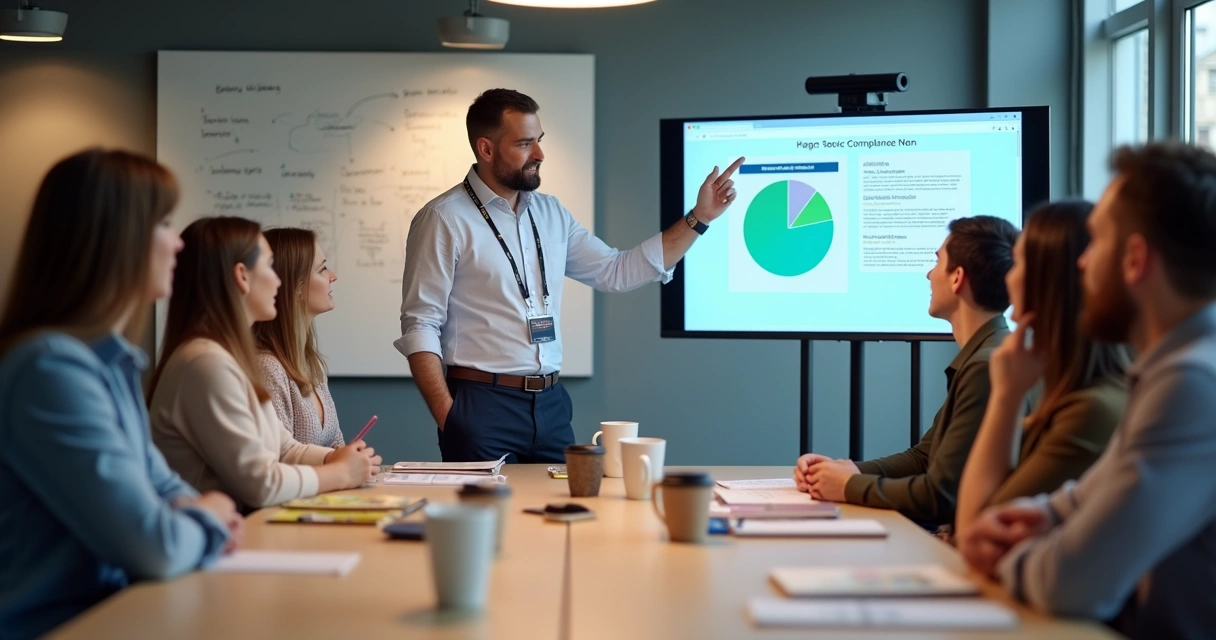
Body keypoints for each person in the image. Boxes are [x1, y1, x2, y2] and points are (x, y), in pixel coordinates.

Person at [396, 88, 743, 462]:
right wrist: (451, 418)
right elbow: (420, 325)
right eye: (525, 144)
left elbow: (616, 271)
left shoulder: (551, 213)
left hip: (551, 406)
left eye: (539, 141)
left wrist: (699, 218)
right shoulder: (443, 218)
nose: (540, 155)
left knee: (562, 516)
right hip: (481, 405)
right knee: (491, 519)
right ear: (486, 149)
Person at [959, 142, 1216, 639]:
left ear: (1135, 259)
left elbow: (1069, 584)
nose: (1081, 265)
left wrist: (1008, 553)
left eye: (1096, 242)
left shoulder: (1192, 383)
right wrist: (1036, 518)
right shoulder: (1171, 371)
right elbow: (1081, 501)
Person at [0, 150, 241, 639]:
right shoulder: (49, 369)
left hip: (115, 615)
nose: (178, 245)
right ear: (116, 237)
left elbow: (166, 492)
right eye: (166, 224)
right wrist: (212, 512)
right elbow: (154, 544)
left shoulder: (109, 366)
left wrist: (191, 513)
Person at [794, 215, 1019, 528]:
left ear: (957, 278)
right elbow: (924, 459)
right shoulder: (987, 354)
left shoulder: (986, 366)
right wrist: (845, 470)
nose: (928, 274)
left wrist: (848, 486)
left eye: (936, 262)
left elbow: (941, 495)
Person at [149, 217, 379, 512]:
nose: (279, 280)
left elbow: (284, 447)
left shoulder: (224, 357)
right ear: (242, 276)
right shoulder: (205, 363)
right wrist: (340, 473)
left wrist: (331, 459)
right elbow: (261, 484)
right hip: (220, 543)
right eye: (270, 267)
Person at [955, 201, 1129, 536]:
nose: (1009, 275)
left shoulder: (1090, 411)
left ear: (1047, 280)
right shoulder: (1078, 393)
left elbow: (974, 529)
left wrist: (1007, 396)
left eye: (1018, 261)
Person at [253, 227, 345, 448]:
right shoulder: (267, 368)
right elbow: (279, 461)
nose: (333, 276)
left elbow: (336, 444)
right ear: (296, 286)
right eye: (322, 269)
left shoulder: (311, 363)